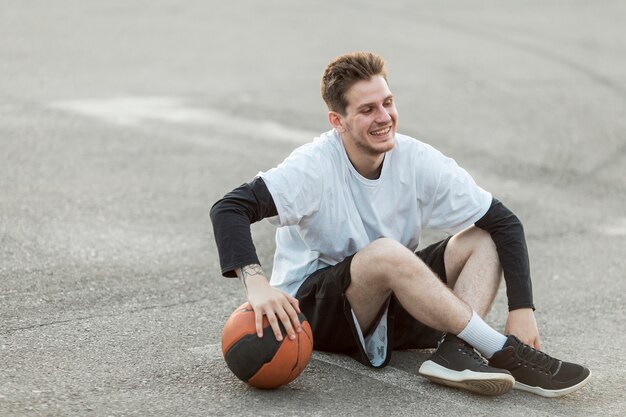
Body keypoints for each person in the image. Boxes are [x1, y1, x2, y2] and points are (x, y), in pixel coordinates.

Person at [210, 51, 591, 397]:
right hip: (314, 311)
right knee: (386, 253)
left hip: (391, 303)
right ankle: (501, 350)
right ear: (337, 121)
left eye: (388, 103)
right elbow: (229, 208)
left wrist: (522, 309)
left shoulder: (416, 160)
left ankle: (457, 351)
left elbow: (504, 221)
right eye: (367, 110)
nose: (384, 117)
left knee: (482, 237)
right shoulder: (313, 166)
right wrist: (256, 283)